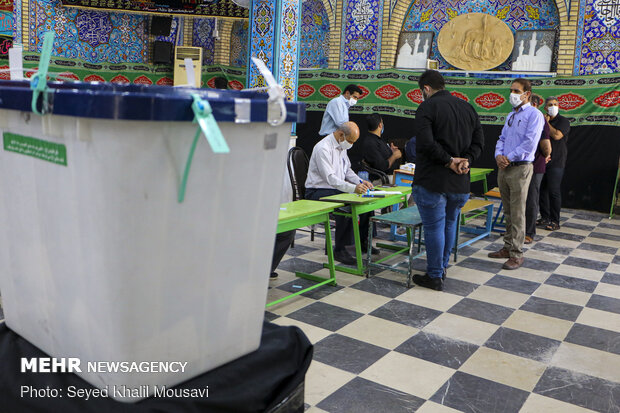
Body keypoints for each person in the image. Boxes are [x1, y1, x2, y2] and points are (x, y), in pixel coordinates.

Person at [411, 70, 484, 291]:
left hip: (433, 180)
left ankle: (434, 276)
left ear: (426, 89)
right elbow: (479, 142)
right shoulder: (467, 107)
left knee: (434, 228)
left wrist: (448, 161)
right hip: (460, 182)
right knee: (450, 224)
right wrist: (466, 161)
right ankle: (441, 269)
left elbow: (425, 143)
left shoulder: (427, 107)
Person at [489, 78, 544, 270]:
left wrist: (508, 157)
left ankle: (517, 254)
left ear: (526, 94)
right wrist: (498, 155)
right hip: (505, 167)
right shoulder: (511, 115)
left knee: (518, 212)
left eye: (516, 91)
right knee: (507, 211)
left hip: (520, 167)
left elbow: (530, 143)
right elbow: (502, 138)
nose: (512, 95)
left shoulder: (534, 115)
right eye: (511, 91)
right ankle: (507, 247)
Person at [305, 122, 375, 265]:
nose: (351, 145)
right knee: (347, 203)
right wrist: (353, 188)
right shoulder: (323, 148)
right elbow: (330, 179)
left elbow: (347, 170)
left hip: (334, 189)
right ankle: (339, 250)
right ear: (341, 134)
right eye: (350, 141)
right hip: (317, 191)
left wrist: (360, 182)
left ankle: (362, 241)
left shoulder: (342, 146)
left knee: (367, 201)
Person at [538, 96, 570, 231]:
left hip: (557, 161)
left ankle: (555, 221)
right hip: (542, 160)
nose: (553, 107)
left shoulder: (563, 121)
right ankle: (545, 217)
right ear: (545, 108)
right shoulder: (540, 119)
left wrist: (546, 123)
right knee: (541, 190)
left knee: (554, 191)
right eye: (550, 104)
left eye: (555, 104)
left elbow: (557, 135)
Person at [524, 94, 551, 244]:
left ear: (533, 104)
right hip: (519, 165)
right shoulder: (517, 116)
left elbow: (546, 144)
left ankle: (529, 232)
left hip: (535, 165)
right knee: (519, 200)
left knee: (531, 199)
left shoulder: (538, 118)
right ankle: (516, 231)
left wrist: (546, 154)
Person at [347, 113, 402, 181]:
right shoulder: (370, 143)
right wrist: (394, 156)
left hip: (393, 175)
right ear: (380, 125)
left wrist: (390, 151)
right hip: (384, 179)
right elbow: (383, 166)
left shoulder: (378, 139)